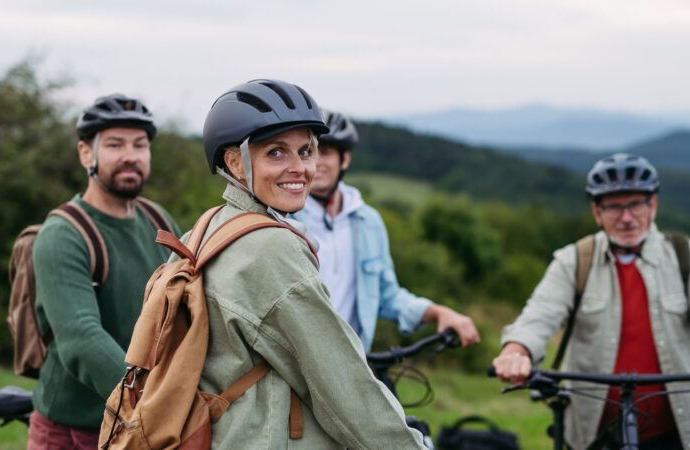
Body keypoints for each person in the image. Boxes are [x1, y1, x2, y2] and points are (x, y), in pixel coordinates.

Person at [184, 79, 427, 448]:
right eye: (276, 153)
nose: (299, 168)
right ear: (235, 162)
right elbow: (342, 382)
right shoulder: (272, 248)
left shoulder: (203, 230)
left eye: (305, 151)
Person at [492, 153, 690, 450]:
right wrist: (517, 350)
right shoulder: (574, 261)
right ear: (597, 212)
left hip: (678, 435)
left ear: (652, 205)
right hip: (595, 435)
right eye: (614, 207)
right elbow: (540, 314)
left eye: (635, 205)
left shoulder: (688, 256)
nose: (626, 217)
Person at [28, 94, 181, 449]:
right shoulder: (64, 234)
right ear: (86, 153)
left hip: (144, 423)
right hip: (76, 429)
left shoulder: (156, 219)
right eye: (115, 144)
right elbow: (81, 338)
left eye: (140, 145)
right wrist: (156, 400)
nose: (130, 155)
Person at [292, 109, 480, 351]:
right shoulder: (283, 218)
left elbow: (385, 295)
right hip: (299, 362)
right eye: (308, 153)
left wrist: (437, 312)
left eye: (325, 152)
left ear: (345, 159)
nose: (316, 162)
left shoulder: (368, 221)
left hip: (354, 362)